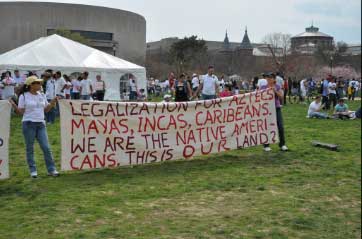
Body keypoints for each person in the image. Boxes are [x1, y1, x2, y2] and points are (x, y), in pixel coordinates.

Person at [9, 76, 60, 178]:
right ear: (31, 85)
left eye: (40, 83)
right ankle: (33, 171)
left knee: (46, 147)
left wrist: (53, 102)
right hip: (28, 124)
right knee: (30, 148)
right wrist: (13, 105)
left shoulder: (41, 95)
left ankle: (52, 170)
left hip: (41, 124)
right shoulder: (23, 96)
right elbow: (20, 112)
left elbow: (46, 110)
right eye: (37, 83)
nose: (40, 84)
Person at [260, 73, 288, 152]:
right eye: (268, 78)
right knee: (267, 127)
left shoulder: (277, 87)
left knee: (280, 127)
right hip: (267, 109)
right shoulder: (263, 87)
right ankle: (266, 145)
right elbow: (259, 97)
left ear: (274, 79)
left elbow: (281, 97)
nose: (269, 79)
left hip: (276, 108)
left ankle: (282, 144)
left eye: (271, 78)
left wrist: (274, 90)